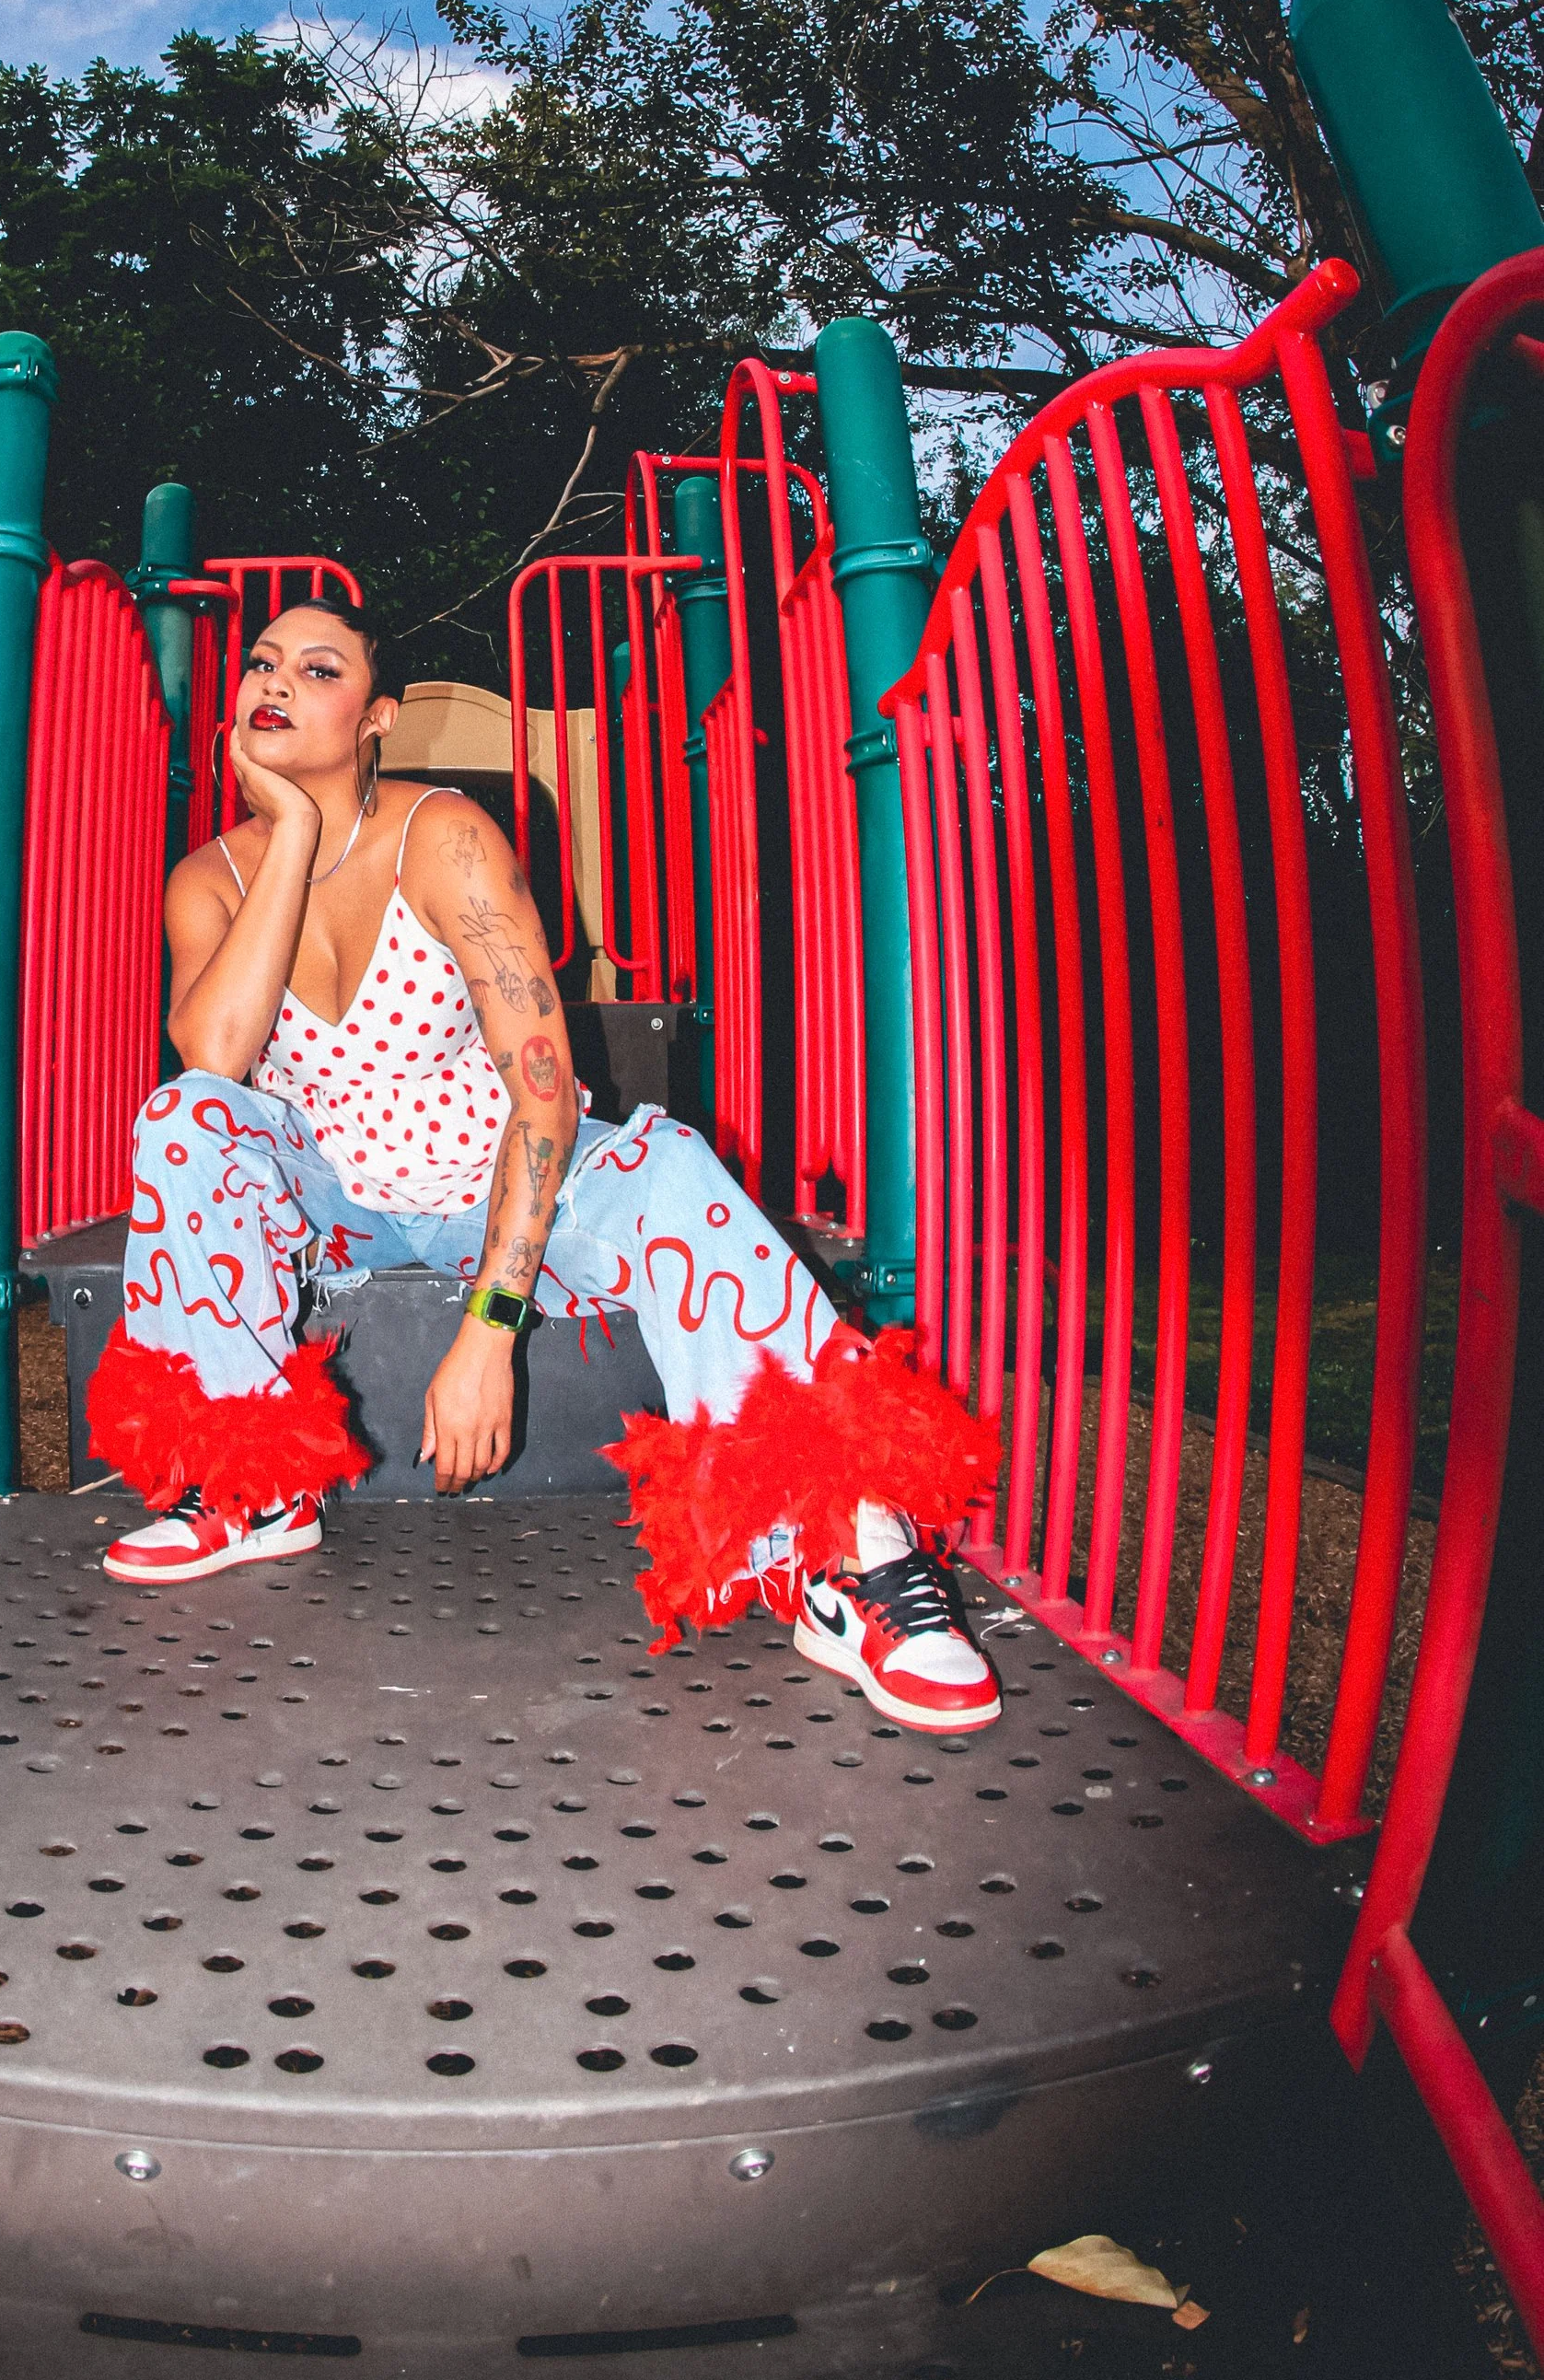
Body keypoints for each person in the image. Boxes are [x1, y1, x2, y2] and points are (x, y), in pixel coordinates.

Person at [84, 594, 1003, 1730]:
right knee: (183, 1120)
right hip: (327, 1202)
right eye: (263, 664)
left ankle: (846, 1551)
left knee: (668, 1167)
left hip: (503, 1180)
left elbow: (543, 1086)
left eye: (319, 671)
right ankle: (250, 1487)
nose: (274, 684)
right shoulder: (208, 879)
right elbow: (214, 1061)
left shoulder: (449, 837)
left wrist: (489, 1325)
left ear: (378, 716)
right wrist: (288, 832)